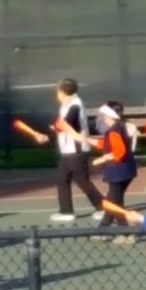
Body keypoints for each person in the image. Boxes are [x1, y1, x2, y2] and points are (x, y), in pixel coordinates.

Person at [33, 78, 105, 223]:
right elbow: (64, 127)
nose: (57, 95)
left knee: (82, 181)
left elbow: (67, 123)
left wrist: (49, 134)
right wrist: (51, 134)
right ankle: (66, 211)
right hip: (67, 150)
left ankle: (103, 208)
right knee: (62, 179)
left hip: (77, 150)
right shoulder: (66, 105)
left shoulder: (75, 105)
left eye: (58, 91)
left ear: (63, 92)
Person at [90, 102, 138, 244]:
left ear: (108, 115)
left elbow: (118, 152)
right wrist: (86, 140)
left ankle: (127, 233)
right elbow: (107, 144)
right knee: (111, 201)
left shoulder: (113, 131)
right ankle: (103, 229)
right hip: (126, 169)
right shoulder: (120, 127)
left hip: (117, 171)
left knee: (115, 203)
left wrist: (102, 159)